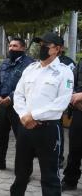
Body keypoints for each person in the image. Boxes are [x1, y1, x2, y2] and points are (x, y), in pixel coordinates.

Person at [10, 32, 74, 196]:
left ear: (57, 49)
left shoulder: (64, 72)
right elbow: (18, 95)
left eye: (46, 45)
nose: (41, 48)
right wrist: (24, 115)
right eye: (40, 44)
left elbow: (62, 102)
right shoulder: (31, 69)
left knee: (50, 176)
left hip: (48, 130)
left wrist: (34, 115)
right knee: (21, 173)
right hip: (25, 128)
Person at [0, 38, 34, 170]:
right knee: (1, 136)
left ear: (23, 48)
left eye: (15, 46)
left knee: (22, 139)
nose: (11, 48)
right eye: (10, 46)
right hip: (2, 104)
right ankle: (0, 162)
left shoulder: (30, 64)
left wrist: (10, 98)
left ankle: (24, 169)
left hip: (19, 106)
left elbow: (27, 86)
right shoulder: (5, 63)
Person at [61, 58, 82, 191]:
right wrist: (74, 97)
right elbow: (69, 82)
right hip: (79, 109)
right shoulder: (80, 63)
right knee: (75, 147)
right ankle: (70, 180)